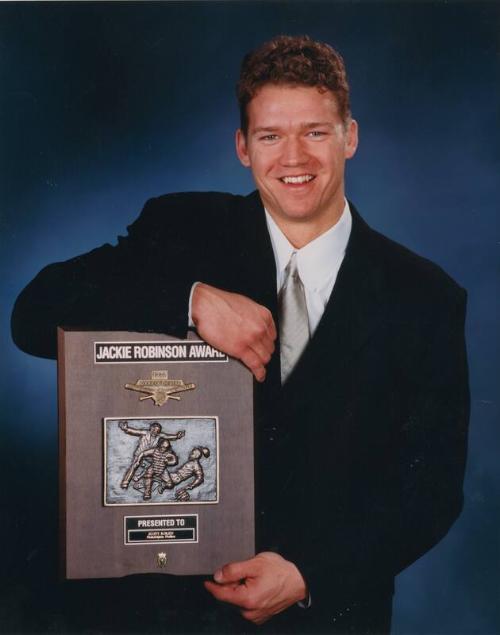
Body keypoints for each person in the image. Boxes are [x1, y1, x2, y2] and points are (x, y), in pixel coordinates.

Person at [11, 35, 469, 634]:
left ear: (350, 137)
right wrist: (191, 300)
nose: (293, 157)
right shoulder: (182, 230)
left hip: (328, 617)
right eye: (270, 136)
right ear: (242, 148)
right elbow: (33, 315)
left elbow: (433, 490)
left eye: (315, 132)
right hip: (175, 618)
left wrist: (309, 572)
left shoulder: (425, 296)